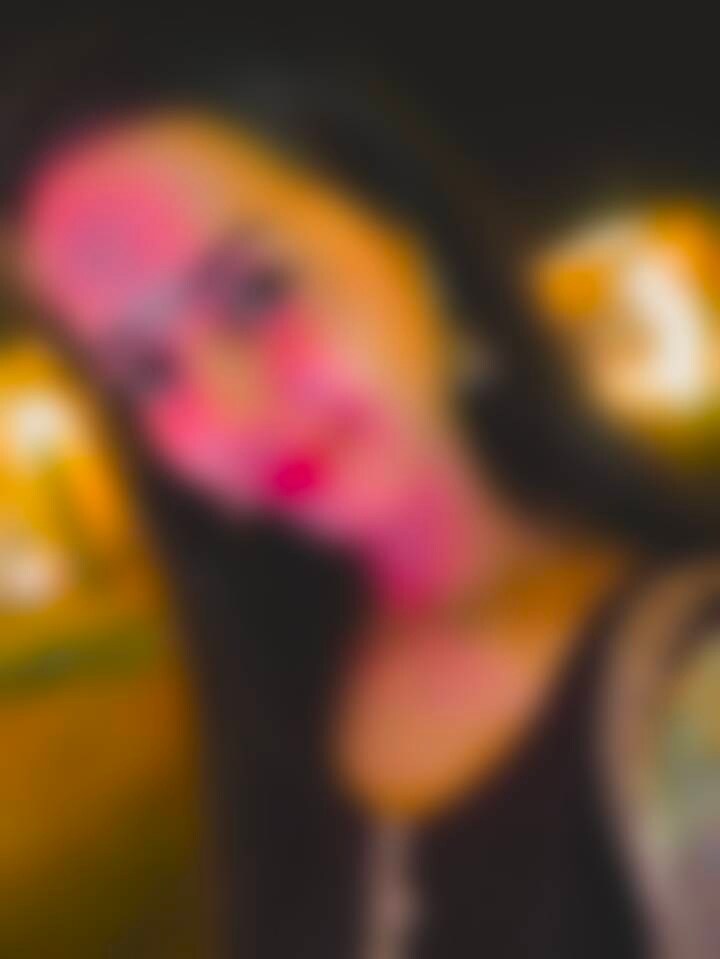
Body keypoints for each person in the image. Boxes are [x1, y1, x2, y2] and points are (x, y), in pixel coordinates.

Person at [8, 55, 720, 957]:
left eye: (257, 292)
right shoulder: (282, 681)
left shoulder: (689, 690)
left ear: (417, 248)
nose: (230, 407)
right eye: (146, 369)